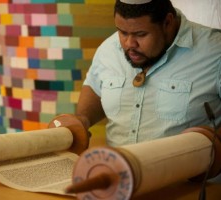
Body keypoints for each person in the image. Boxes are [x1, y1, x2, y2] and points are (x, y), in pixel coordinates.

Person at [74, 0, 221, 147]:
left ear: (167, 22)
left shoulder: (215, 51)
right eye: (122, 32)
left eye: (141, 34)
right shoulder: (108, 49)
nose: (129, 44)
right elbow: (95, 89)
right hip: (114, 168)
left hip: (186, 170)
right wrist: (82, 120)